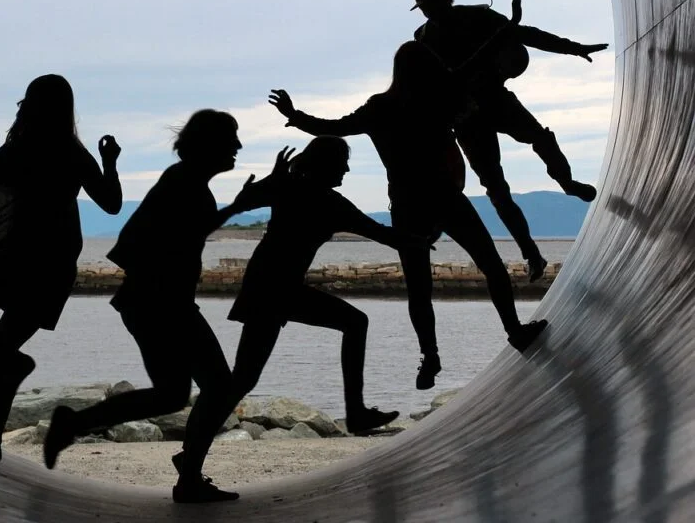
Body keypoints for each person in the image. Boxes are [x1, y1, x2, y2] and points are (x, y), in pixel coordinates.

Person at [270, 41, 549, 391]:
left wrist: (294, 116)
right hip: (446, 197)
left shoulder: (379, 108)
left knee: (419, 289)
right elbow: (468, 64)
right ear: (430, 67)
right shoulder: (439, 100)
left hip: (407, 205)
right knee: (491, 264)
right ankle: (515, 331)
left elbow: (334, 127)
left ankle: (429, 355)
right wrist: (502, 33)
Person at [43, 110, 273, 504]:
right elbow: (170, 235)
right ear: (210, 144)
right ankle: (188, 476)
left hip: (153, 302)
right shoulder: (184, 181)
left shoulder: (187, 181)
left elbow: (178, 232)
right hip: (161, 303)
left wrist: (235, 207)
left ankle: (75, 424)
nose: (237, 147)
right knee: (218, 385)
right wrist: (237, 207)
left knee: (172, 395)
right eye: (231, 139)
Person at [176, 137, 428, 481]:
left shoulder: (298, 190)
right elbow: (384, 234)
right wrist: (423, 239)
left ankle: (190, 456)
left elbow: (243, 201)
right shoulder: (319, 198)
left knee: (243, 379)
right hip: (273, 289)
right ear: (325, 164)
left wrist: (272, 179)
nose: (347, 169)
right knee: (245, 378)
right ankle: (355, 413)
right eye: (342, 163)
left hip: (272, 287)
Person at [0, 74, 122, 465]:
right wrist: (110, 164)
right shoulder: (74, 153)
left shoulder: (20, 149)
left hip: (16, 258)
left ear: (31, 105)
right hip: (54, 267)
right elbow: (112, 203)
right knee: (5, 345)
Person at [410, 0, 608, 283]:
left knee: (540, 138)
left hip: (495, 99)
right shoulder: (422, 39)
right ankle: (531, 253)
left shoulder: (478, 17)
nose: (428, 12)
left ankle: (566, 182)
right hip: (465, 120)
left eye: (429, 5)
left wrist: (572, 48)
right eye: (424, 8)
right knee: (497, 190)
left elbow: (524, 34)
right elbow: (427, 87)